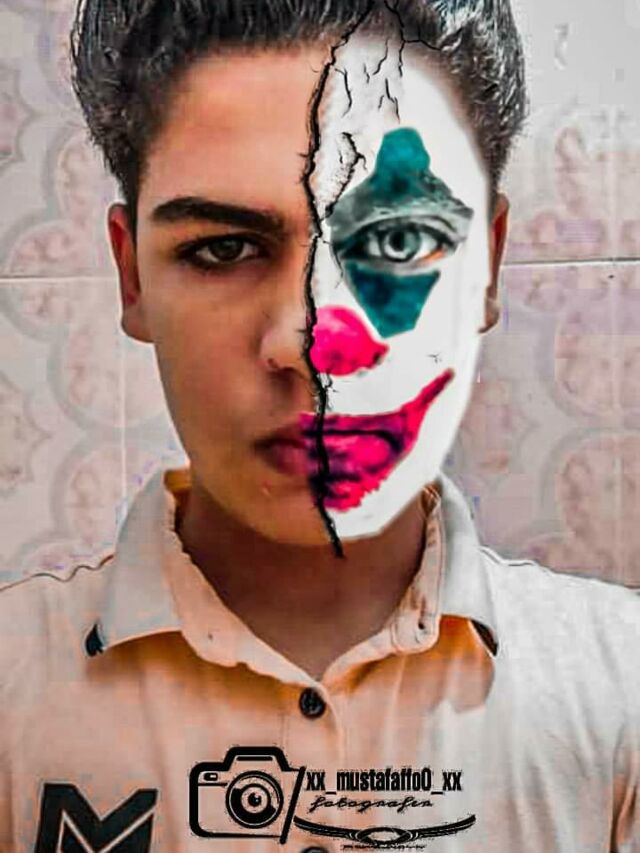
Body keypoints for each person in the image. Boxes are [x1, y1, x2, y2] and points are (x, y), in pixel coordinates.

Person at [1, 0, 639, 849]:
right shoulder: (12, 697)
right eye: (224, 249)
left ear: (486, 268)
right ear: (133, 277)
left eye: (398, 242)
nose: (311, 344)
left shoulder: (622, 692)